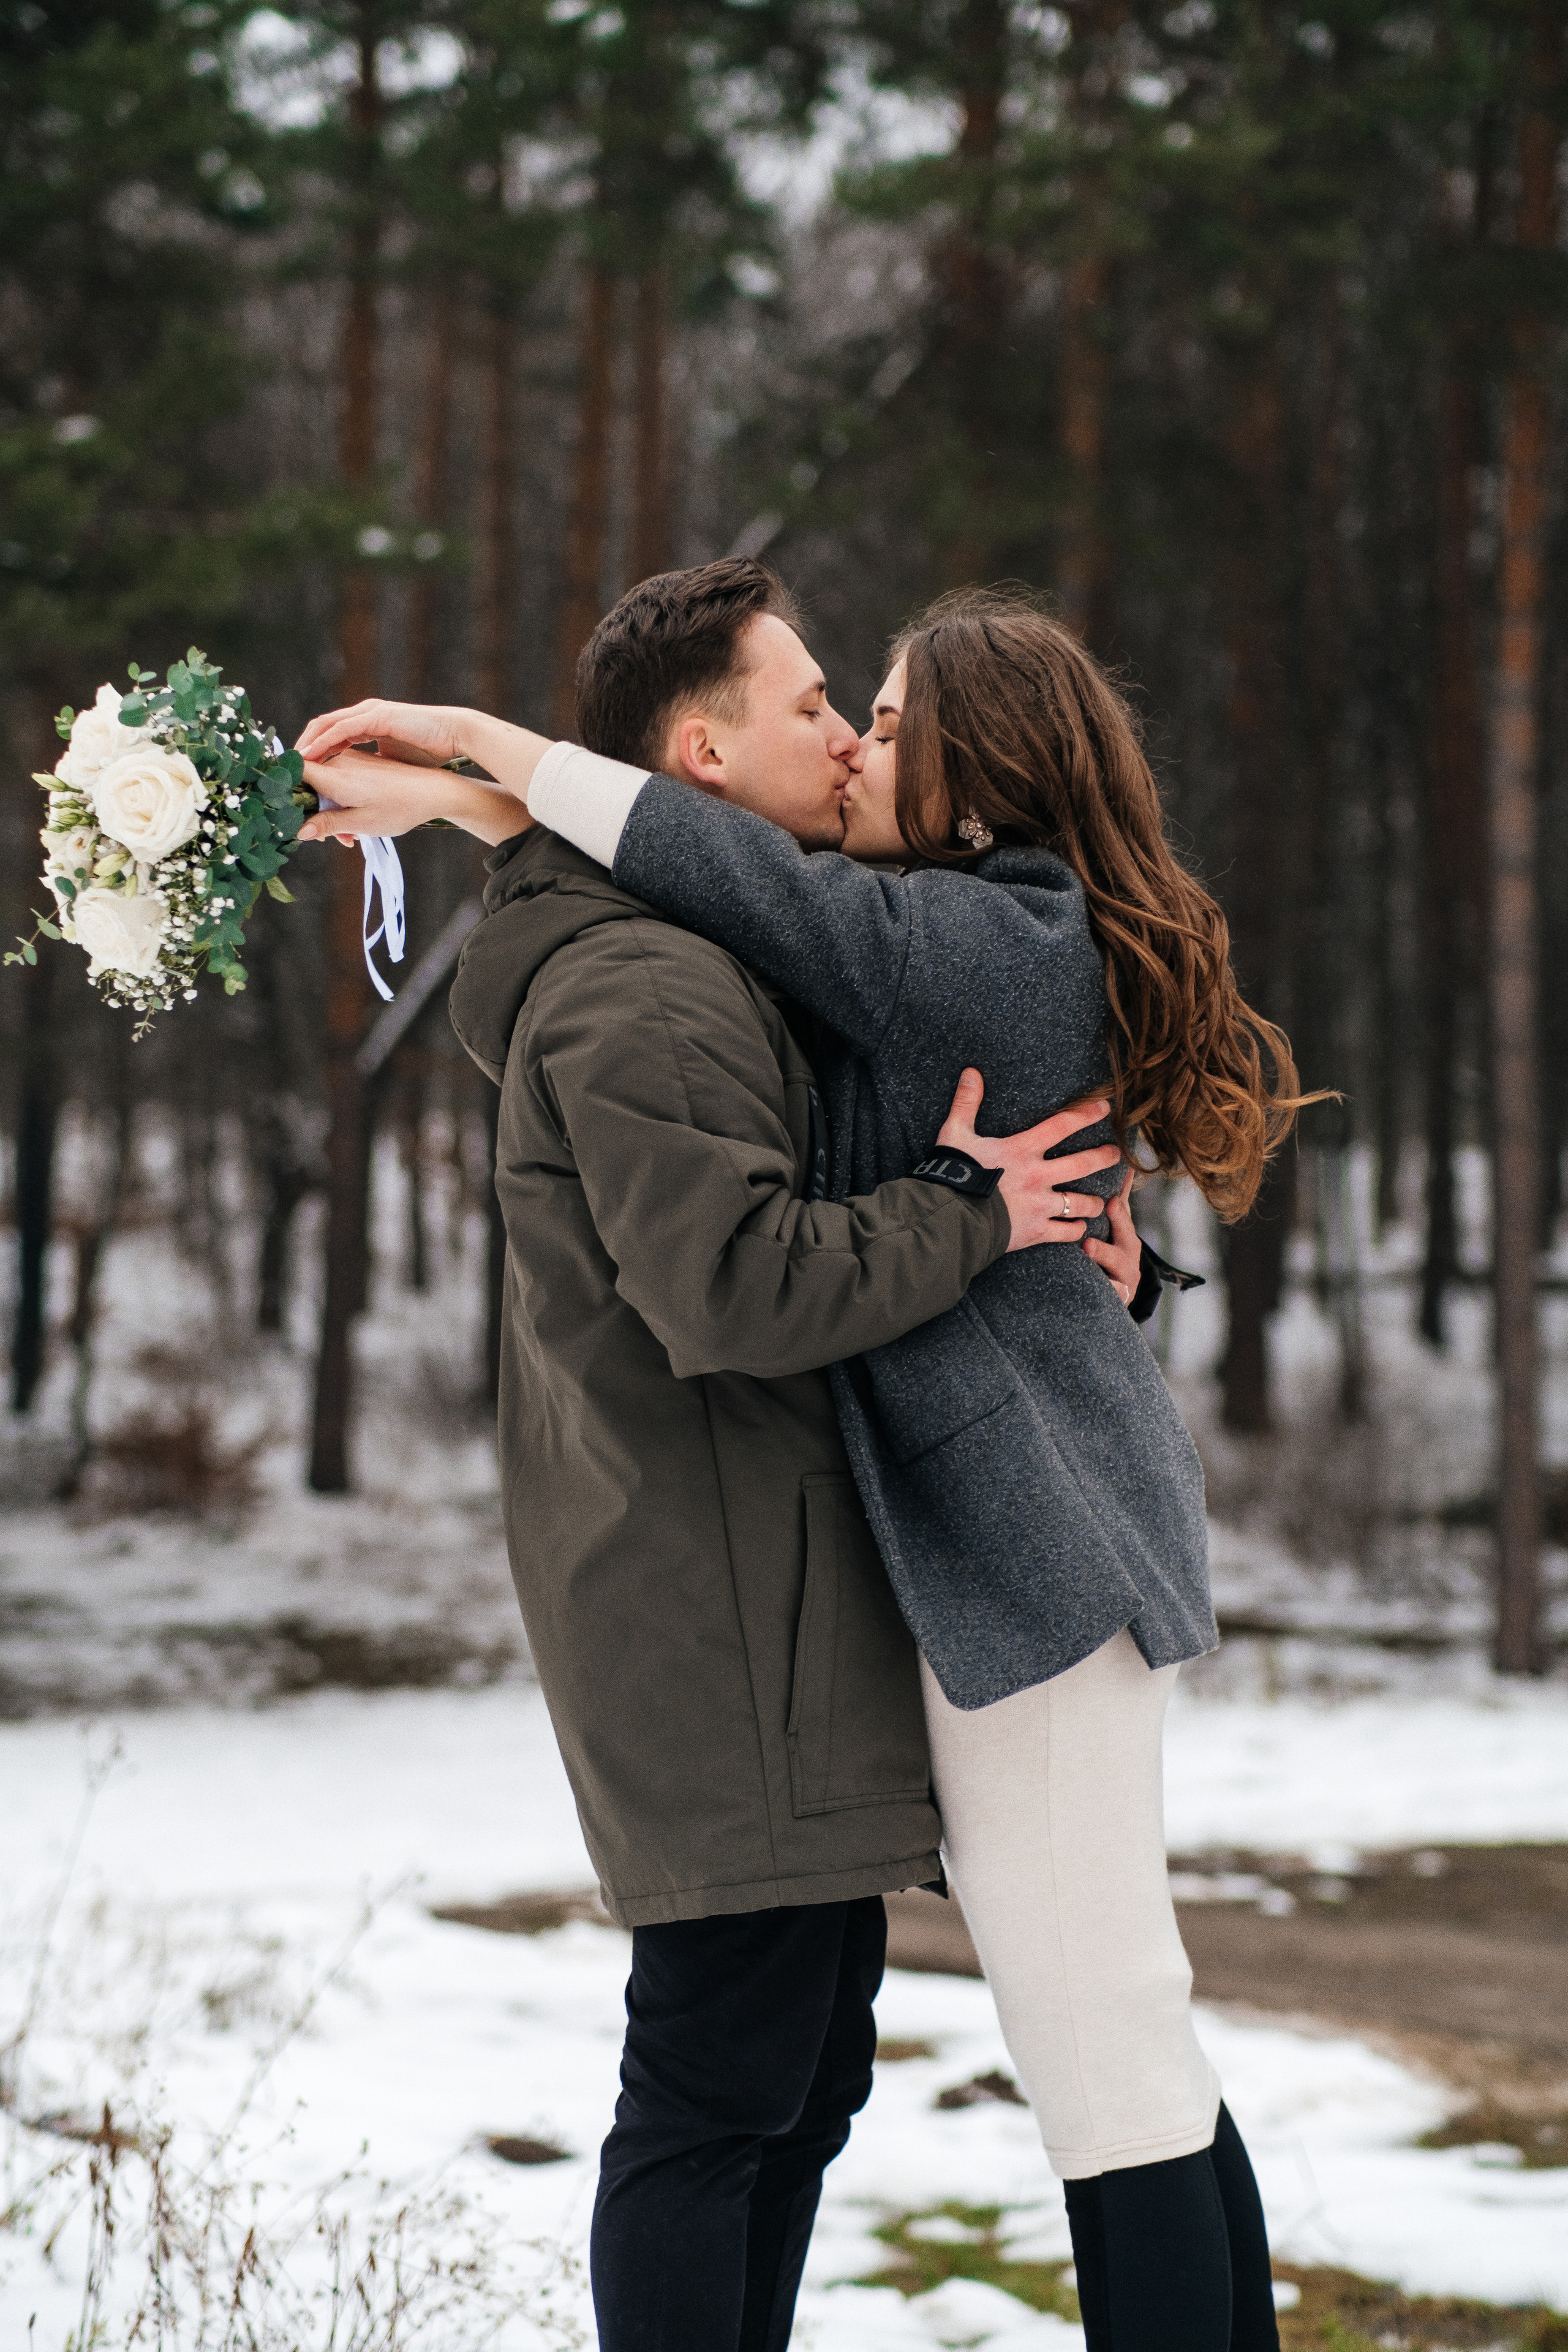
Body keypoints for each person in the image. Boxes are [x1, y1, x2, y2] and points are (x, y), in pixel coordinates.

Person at [295, 564, 1152, 2352]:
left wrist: (471, 790)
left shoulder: (705, 943)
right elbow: (736, 1287)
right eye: (814, 704)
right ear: (700, 752)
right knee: (716, 2096)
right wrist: (960, 1214)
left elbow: (734, 888)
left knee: (794, 2081)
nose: (847, 741)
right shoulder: (647, 992)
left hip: (756, 1596)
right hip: (716, 1614)